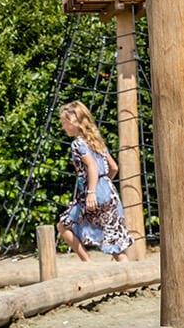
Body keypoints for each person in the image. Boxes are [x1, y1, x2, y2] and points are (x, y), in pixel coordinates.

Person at [55, 102, 134, 261]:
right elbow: (114, 167)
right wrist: (104, 186)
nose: (63, 127)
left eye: (65, 122)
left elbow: (92, 166)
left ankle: (88, 263)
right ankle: (128, 277)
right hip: (110, 193)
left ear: (75, 122)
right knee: (113, 240)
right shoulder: (96, 141)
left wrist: (92, 192)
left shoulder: (78, 143)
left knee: (63, 225)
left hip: (92, 194)